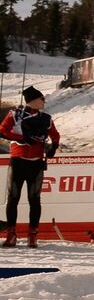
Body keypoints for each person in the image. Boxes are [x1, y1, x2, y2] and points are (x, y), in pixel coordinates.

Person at [2, 86, 60, 248]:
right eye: (42, 99)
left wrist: (53, 146)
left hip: (36, 162)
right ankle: (11, 234)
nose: (44, 101)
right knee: (13, 198)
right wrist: (21, 138)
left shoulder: (46, 118)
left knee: (34, 199)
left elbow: (55, 134)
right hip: (18, 160)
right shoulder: (15, 114)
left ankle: (32, 234)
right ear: (33, 100)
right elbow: (2, 130)